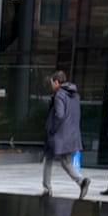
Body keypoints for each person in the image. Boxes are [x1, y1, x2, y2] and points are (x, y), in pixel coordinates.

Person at [42, 70, 89, 198]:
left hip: (58, 134)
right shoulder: (75, 95)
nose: (51, 85)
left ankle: (47, 188)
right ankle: (81, 181)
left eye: (52, 83)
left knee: (48, 159)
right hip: (71, 133)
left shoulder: (59, 95)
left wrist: (52, 129)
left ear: (56, 82)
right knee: (66, 161)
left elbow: (60, 115)